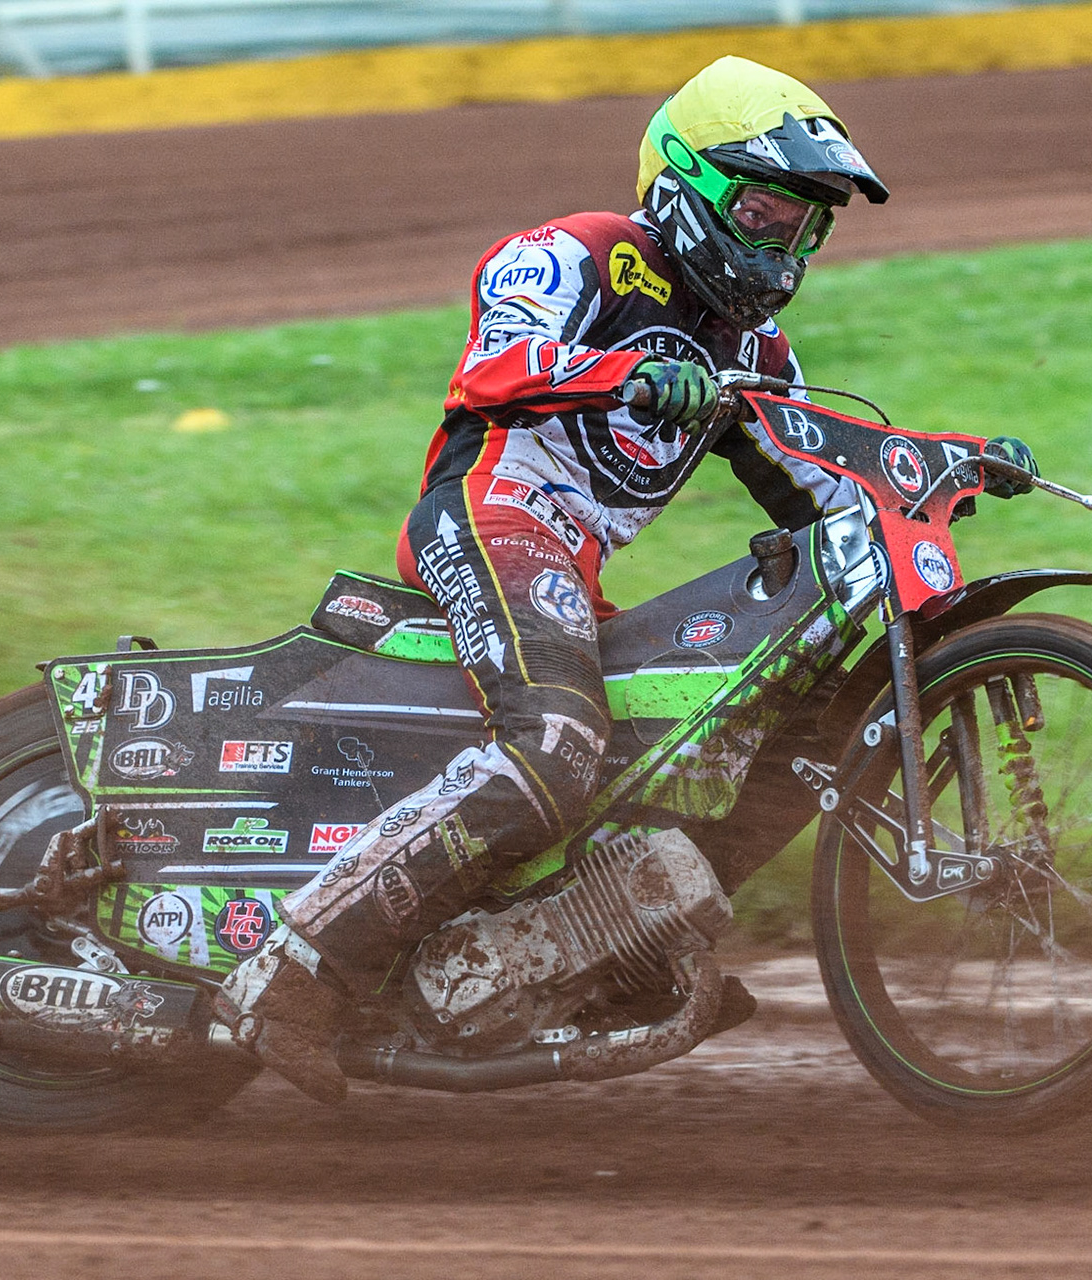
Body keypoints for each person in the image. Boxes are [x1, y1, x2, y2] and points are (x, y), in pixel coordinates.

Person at [218, 55, 1034, 1103]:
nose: (783, 246)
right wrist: (628, 372)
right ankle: (294, 967)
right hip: (490, 516)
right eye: (763, 213)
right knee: (558, 739)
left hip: (573, 574)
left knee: (761, 735)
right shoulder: (585, 253)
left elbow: (813, 478)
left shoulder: (750, 344)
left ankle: (601, 955)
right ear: (686, 184)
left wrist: (949, 464)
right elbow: (489, 369)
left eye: (803, 227)